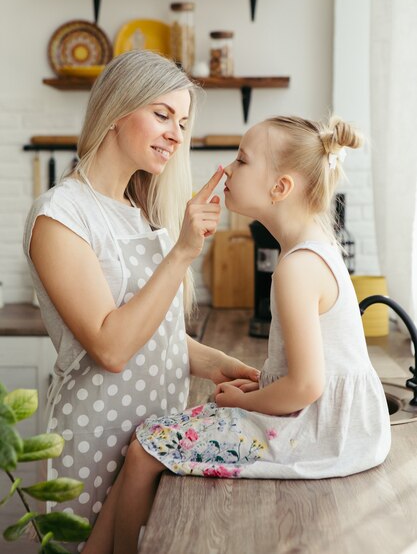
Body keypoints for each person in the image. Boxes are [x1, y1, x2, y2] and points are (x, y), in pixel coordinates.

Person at [106, 114, 391, 554]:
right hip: (345, 429)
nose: (228, 169)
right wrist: (263, 386)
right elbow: (312, 372)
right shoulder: (316, 249)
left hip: (317, 434)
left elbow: (308, 385)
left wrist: (243, 402)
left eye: (241, 160)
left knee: (145, 447)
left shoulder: (295, 269)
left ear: (279, 188)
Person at [23, 49, 259, 554]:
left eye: (183, 121)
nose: (177, 133)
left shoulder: (139, 210)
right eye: (162, 114)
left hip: (153, 430)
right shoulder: (61, 215)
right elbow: (111, 347)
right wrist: (183, 253)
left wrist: (223, 365)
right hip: (94, 435)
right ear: (116, 109)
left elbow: (157, 330)